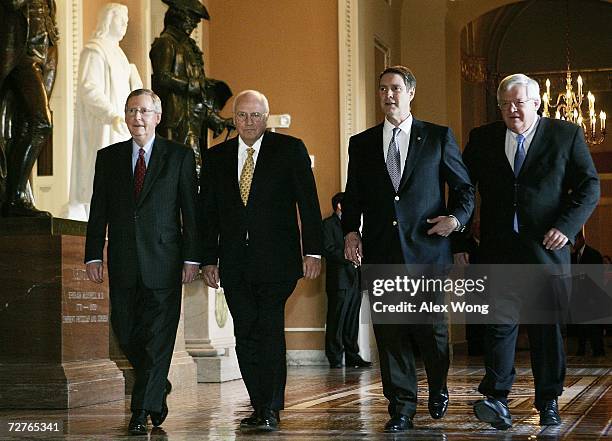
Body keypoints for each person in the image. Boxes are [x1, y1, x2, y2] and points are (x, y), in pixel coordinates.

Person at [457, 73, 600, 430]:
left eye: (519, 103)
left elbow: (589, 186)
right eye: (505, 104)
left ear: (537, 103)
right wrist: (459, 240)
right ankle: (496, 399)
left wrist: (566, 228)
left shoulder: (564, 135)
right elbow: (462, 189)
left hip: (546, 252)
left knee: (545, 330)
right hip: (498, 251)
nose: (512, 110)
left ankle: (548, 400)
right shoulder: (483, 138)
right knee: (498, 327)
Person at [342, 66, 474, 432]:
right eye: (383, 89)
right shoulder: (362, 143)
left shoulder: (437, 137)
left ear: (411, 93)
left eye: (396, 88)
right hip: (382, 252)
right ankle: (401, 406)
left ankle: (438, 386)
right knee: (390, 332)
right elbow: (353, 197)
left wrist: (456, 221)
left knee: (431, 331)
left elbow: (464, 189)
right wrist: (351, 231)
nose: (389, 95)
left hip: (428, 251)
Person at [199, 90, 322, 432]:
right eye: (242, 116)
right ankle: (259, 404)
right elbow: (207, 214)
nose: (249, 122)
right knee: (246, 334)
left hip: (277, 262)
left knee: (268, 330)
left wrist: (312, 251)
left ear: (266, 118)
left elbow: (308, 205)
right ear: (233, 119)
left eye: (255, 115)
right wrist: (209, 258)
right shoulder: (216, 158)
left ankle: (270, 406)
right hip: (235, 263)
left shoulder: (289, 150)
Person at [84, 89, 200, 436]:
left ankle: (141, 409)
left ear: (157, 117)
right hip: (123, 262)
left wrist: (193, 256)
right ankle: (156, 387)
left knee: (158, 338)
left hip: (165, 262)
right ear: (125, 116)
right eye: (132, 110)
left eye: (145, 111)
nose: (138, 117)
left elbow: (190, 213)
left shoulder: (178, 156)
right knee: (126, 331)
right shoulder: (109, 158)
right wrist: (93, 253)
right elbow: (98, 210)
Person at [66, 3, 143, 221]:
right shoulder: (95, 50)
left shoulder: (119, 55)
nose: (125, 25)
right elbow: (89, 89)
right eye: (121, 20)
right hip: (104, 125)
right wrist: (111, 114)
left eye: (127, 21)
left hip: (121, 126)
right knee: (101, 177)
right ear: (108, 20)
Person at [150, 0, 232, 176]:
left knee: (195, 174)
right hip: (176, 122)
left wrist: (216, 120)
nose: (194, 24)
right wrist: (195, 85)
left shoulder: (189, 47)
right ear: (178, 16)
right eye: (191, 18)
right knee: (180, 174)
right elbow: (162, 78)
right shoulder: (165, 43)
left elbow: (197, 97)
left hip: (193, 124)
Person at [0, 0, 58, 216]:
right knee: (41, 123)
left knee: (26, 125)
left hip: (42, 53)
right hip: (21, 55)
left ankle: (18, 196)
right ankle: (14, 198)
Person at [323, 192, 371, 369]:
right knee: (336, 320)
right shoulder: (328, 224)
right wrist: (349, 257)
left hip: (355, 280)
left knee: (352, 319)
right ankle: (334, 356)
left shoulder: (352, 228)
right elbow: (328, 249)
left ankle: (352, 355)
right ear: (340, 206)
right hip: (339, 281)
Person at [571, 228, 605, 357]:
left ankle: (598, 350)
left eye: (574, 241)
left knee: (594, 326)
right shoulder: (573, 257)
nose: (572, 245)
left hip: (592, 297)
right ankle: (581, 349)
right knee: (580, 326)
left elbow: (598, 277)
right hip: (578, 297)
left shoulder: (593, 254)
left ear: (581, 239)